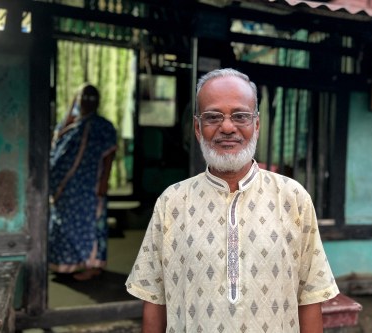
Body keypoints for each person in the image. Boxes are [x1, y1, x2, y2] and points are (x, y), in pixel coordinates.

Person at [125, 68, 339, 332]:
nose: (227, 127)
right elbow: (154, 300)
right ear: (197, 127)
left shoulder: (293, 199)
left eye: (240, 116)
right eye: (213, 117)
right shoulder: (172, 202)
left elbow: (310, 297)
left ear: (256, 125)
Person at [49, 83, 117, 281]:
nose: (89, 101)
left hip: (90, 186)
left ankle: (92, 266)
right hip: (67, 189)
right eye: (84, 97)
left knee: (89, 226)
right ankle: (67, 264)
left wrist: (104, 181)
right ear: (76, 100)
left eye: (93, 97)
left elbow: (109, 156)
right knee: (64, 225)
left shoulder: (103, 126)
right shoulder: (70, 125)